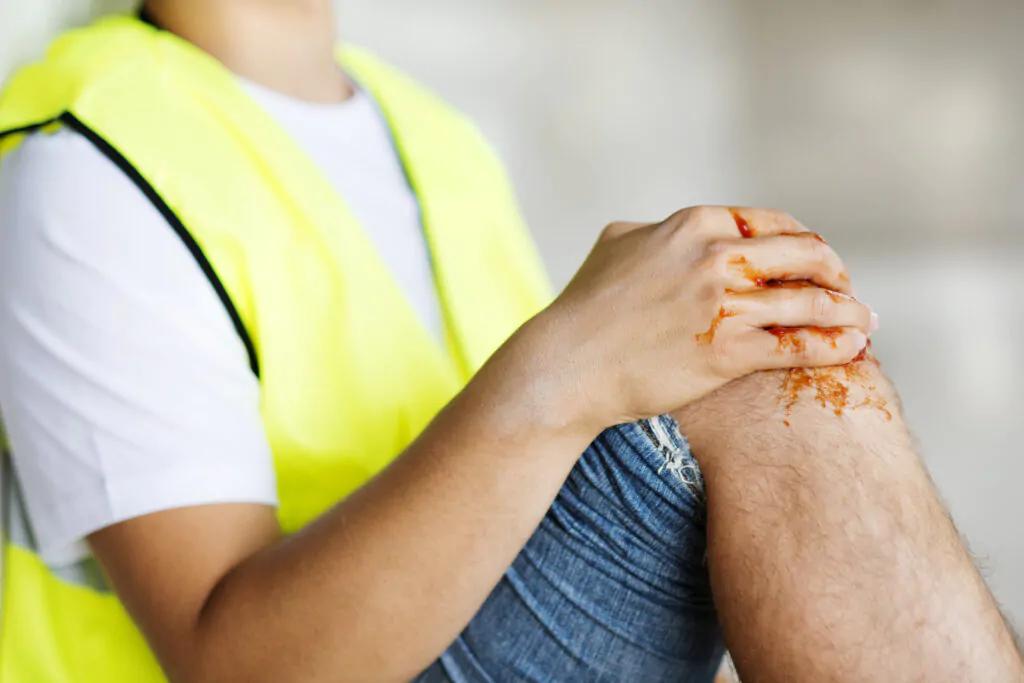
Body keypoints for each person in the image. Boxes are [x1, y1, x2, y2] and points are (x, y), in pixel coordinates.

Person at [0, 2, 1019, 682]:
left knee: (747, 322)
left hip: (458, 626)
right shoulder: (79, 163)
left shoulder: (431, 133)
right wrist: (573, 359)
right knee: (740, 361)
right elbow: (235, 662)